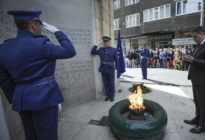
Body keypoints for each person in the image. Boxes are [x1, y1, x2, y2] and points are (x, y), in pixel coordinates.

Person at [0, 10, 76, 140]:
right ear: (34, 25)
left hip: (21, 99)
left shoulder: (3, 47)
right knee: (47, 135)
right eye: (39, 26)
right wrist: (57, 32)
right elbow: (70, 51)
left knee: (30, 134)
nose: (40, 29)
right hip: (44, 97)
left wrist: (15, 97)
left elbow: (4, 78)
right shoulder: (42, 44)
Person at [182, 26, 205, 134]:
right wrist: (188, 58)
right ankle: (197, 119)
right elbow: (196, 59)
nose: (194, 39)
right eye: (193, 37)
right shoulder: (199, 45)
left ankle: (202, 126)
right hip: (196, 79)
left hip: (204, 80)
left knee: (203, 105)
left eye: (195, 37)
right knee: (197, 103)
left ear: (202, 34)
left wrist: (193, 60)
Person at [91, 36, 118, 102]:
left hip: (110, 68)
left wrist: (117, 68)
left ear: (109, 42)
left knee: (111, 83)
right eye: (104, 41)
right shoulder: (100, 49)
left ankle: (112, 96)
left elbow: (116, 60)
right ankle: (108, 95)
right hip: (103, 68)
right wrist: (96, 45)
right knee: (105, 83)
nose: (105, 42)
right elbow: (92, 52)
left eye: (107, 41)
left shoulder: (113, 50)